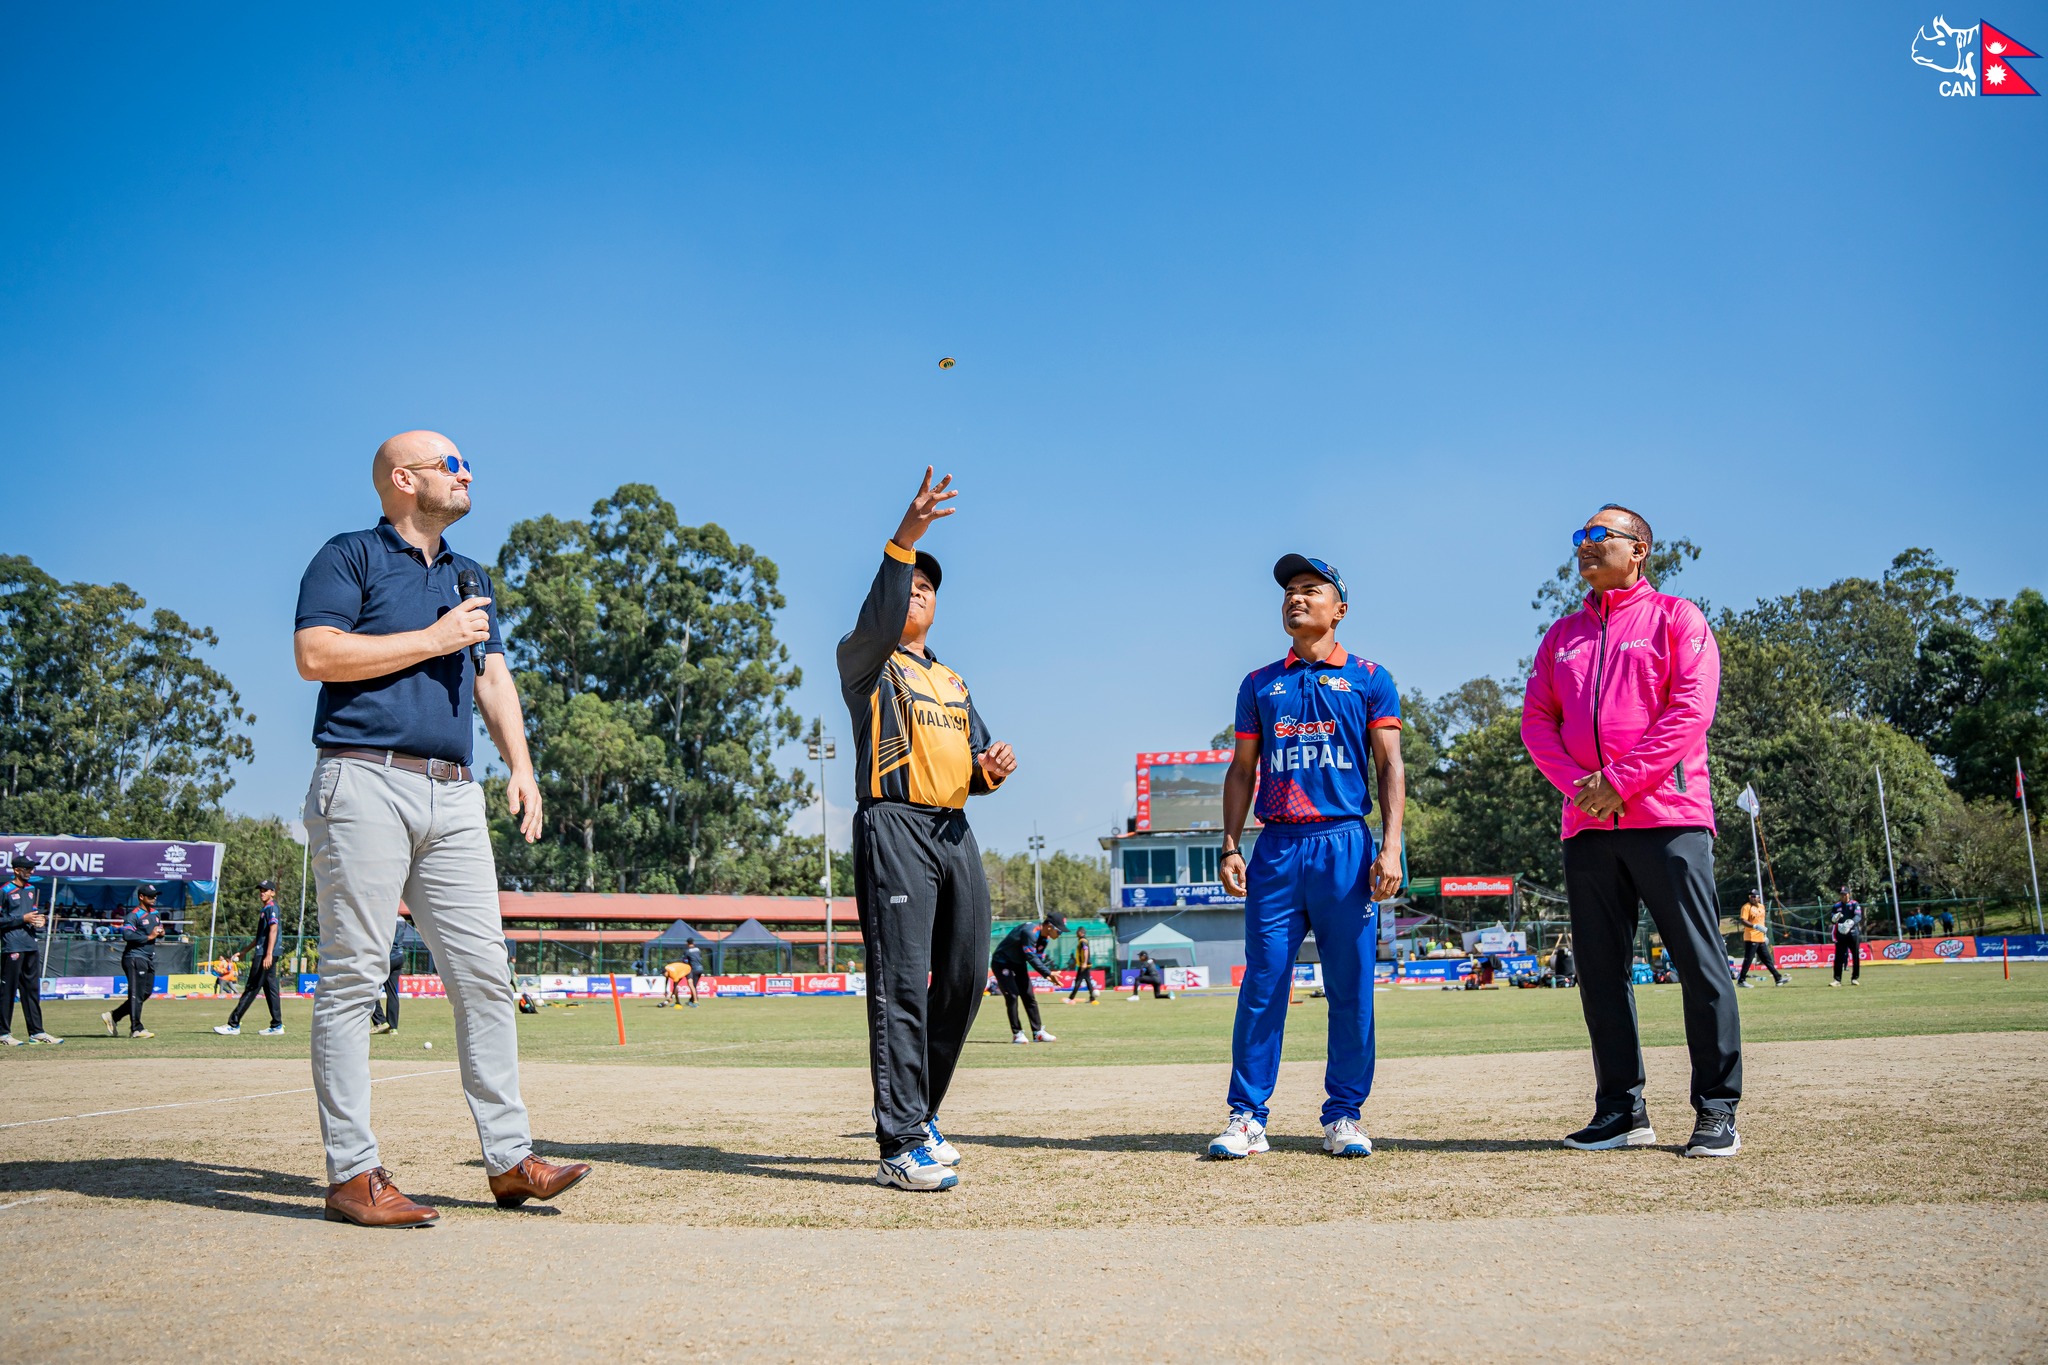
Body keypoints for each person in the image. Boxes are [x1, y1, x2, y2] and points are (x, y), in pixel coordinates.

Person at [294, 430, 589, 1227]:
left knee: (486, 974)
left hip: (455, 792)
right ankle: (353, 1173)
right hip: (362, 776)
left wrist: (521, 766)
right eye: (449, 464)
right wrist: (431, 639)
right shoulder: (348, 555)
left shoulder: (470, 573)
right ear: (403, 479)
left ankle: (509, 1159)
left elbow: (492, 674)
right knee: (357, 974)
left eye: (466, 464)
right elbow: (315, 654)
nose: (466, 474)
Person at [1522, 504, 1742, 1159]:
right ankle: (1621, 1109)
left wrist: (1620, 778)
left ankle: (1717, 1110)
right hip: (1587, 825)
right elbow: (1537, 721)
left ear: (1638, 548)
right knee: (1599, 971)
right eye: (1579, 538)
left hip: (1668, 819)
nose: (1586, 546)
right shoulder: (1562, 635)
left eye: (1600, 536)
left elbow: (1690, 711)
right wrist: (1579, 786)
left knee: (1701, 964)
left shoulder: (1678, 618)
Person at [836, 468, 1016, 1192]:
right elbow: (886, 601)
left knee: (968, 976)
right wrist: (908, 536)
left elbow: (973, 764)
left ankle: (923, 1112)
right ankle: (899, 1141)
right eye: (911, 583)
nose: (919, 592)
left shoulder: (951, 680)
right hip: (895, 825)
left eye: (928, 586)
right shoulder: (867, 660)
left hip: (954, 830)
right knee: (903, 983)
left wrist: (992, 766)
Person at [1209, 553, 1405, 1163]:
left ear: (1338, 609)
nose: (1296, 599)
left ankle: (1343, 1115)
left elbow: (1390, 765)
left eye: (1310, 590)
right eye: (1289, 591)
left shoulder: (1371, 678)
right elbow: (1241, 770)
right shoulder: (1259, 683)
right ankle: (1247, 1116)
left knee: (1350, 989)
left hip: (1346, 845)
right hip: (1277, 848)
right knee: (1263, 984)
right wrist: (1231, 844)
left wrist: (1392, 846)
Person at [0, 854, 61, 1046]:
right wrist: (22, 919)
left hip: (30, 945)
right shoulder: (5, 890)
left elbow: (32, 914)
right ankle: (3, 1034)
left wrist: (39, 921)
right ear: (17, 870)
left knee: (32, 991)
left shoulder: (32, 889)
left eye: (32, 868)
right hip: (12, 946)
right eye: (27, 868)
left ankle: (37, 1032)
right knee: (7, 991)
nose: (31, 871)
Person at [216, 880, 286, 1035]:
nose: (262, 892)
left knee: (252, 988)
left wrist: (268, 954)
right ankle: (277, 1025)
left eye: (266, 890)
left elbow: (273, 931)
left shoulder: (272, 908)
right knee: (270, 989)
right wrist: (244, 951)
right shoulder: (265, 909)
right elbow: (260, 937)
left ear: (272, 892)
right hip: (266, 952)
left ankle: (233, 1024)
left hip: (266, 954)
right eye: (261, 890)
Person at [991, 912, 1064, 1043]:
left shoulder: (1044, 938)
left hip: (1018, 963)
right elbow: (1031, 957)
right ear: (1049, 926)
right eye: (1059, 931)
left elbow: (1037, 958)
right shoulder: (1030, 932)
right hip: (1002, 963)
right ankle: (1017, 1034)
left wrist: (1047, 974)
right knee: (1012, 995)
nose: (1060, 934)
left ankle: (1038, 1033)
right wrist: (1047, 972)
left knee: (1029, 995)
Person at [103, 886, 164, 1039]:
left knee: (145, 993)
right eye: (151, 896)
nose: (154, 898)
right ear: (141, 897)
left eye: (155, 895)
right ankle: (136, 1028)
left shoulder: (156, 914)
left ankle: (114, 1016)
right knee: (136, 994)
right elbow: (127, 934)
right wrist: (148, 937)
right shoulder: (134, 915)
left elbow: (158, 930)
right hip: (134, 958)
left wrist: (161, 933)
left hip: (148, 958)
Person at [1735, 892, 1785, 988]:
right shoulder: (1746, 907)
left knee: (1767, 960)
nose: (1752, 898)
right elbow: (1743, 920)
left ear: (1758, 898)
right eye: (1751, 896)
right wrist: (1754, 926)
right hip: (1751, 937)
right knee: (1748, 959)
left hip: (1760, 938)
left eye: (1754, 896)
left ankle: (1778, 978)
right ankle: (1741, 980)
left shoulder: (1762, 907)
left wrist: (1764, 935)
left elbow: (1761, 921)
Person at [369, 927, 406, 1034]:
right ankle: (393, 1028)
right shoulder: (402, 920)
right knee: (393, 993)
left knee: (370, 986)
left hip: (387, 957)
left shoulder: (387, 917)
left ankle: (380, 1021)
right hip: (399, 955)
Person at [1829, 888, 1863, 987]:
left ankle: (1854, 978)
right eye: (1842, 894)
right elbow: (1832, 919)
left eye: (1845, 894)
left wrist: (1851, 922)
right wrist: (1834, 918)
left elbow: (1858, 916)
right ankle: (1837, 980)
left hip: (1853, 933)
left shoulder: (1854, 904)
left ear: (1849, 894)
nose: (1843, 896)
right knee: (1839, 957)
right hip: (1841, 934)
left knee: (1855, 956)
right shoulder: (1836, 906)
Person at [1064, 926, 1098, 1004]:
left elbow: (1085, 951)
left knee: (1078, 981)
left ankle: (1071, 998)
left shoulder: (1083, 941)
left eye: (1077, 932)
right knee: (1087, 981)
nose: (1076, 933)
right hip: (1084, 965)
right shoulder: (1081, 941)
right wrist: (1077, 962)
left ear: (1081, 933)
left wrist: (1084, 963)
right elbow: (1080, 953)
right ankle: (1092, 998)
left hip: (1084, 965)